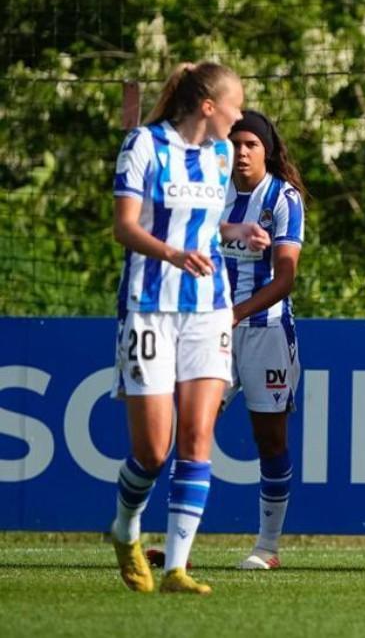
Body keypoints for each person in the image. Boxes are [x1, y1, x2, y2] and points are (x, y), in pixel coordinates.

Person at [109, 61, 268, 595]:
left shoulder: (221, 154)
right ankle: (125, 527)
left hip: (209, 308)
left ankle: (177, 566)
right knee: (154, 450)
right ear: (208, 107)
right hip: (150, 305)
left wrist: (237, 229)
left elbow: (203, 224)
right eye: (235, 104)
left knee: (198, 437)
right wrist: (173, 255)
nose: (240, 115)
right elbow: (125, 227)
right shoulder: (144, 146)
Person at [220, 109, 307, 570]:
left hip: (266, 332)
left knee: (269, 440)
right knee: (188, 428)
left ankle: (267, 548)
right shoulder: (213, 192)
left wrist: (233, 315)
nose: (241, 153)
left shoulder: (284, 198)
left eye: (250, 144)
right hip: (212, 334)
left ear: (267, 151)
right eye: (234, 144)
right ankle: (177, 548)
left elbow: (285, 277)